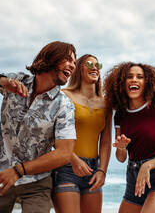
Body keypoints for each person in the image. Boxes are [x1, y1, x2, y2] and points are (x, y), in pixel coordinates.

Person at [0, 41, 77, 213]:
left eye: (74, 62)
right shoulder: (15, 81)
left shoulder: (64, 105)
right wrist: (1, 81)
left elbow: (64, 153)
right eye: (68, 59)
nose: (72, 65)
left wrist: (18, 171)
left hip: (37, 183)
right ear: (51, 57)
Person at [103, 62, 155, 213]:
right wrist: (122, 148)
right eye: (129, 77)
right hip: (133, 178)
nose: (134, 80)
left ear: (147, 83)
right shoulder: (120, 114)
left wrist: (147, 165)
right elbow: (121, 157)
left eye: (140, 77)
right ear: (121, 83)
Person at [52, 54, 112, 213]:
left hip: (93, 169)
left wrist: (102, 171)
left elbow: (105, 141)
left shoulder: (106, 104)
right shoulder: (64, 95)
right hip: (65, 166)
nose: (94, 68)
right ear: (79, 69)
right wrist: (73, 159)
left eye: (97, 65)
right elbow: (51, 135)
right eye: (89, 64)